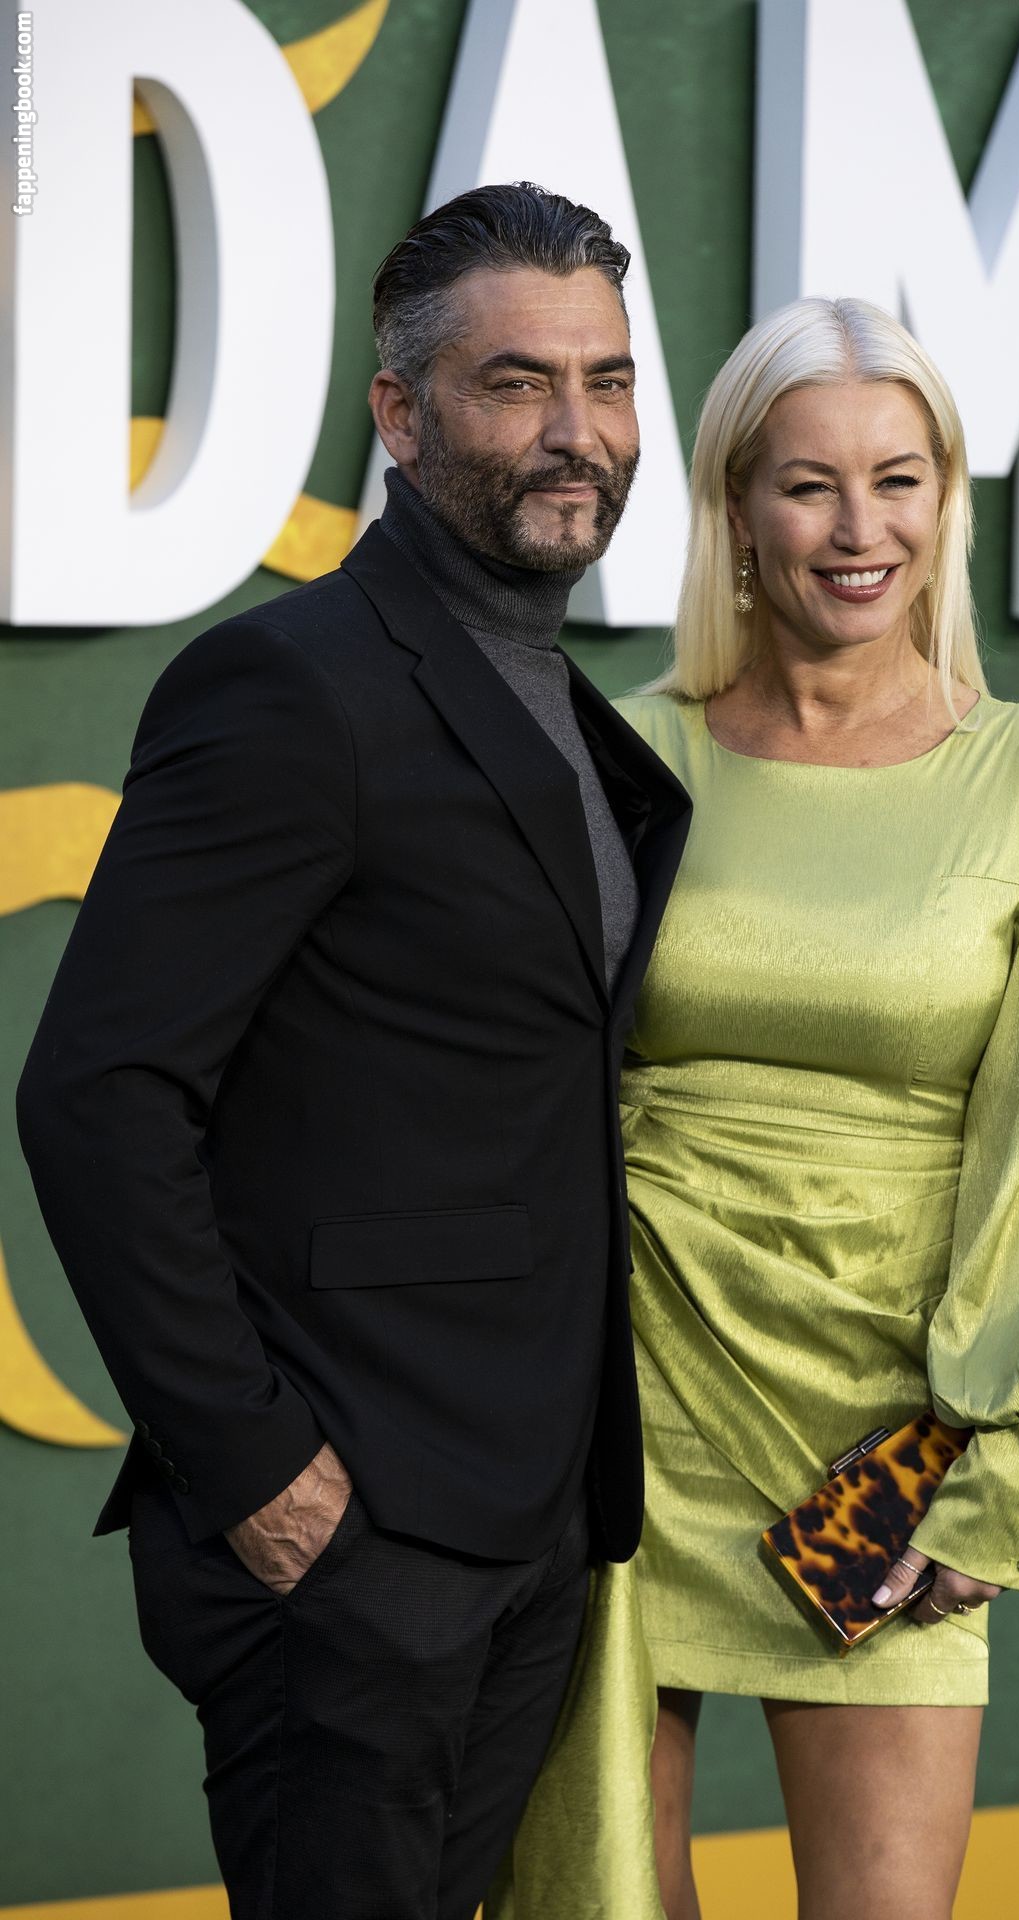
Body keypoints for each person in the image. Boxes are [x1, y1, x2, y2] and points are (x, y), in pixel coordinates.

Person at [15, 182, 691, 1920]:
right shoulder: (291, 687)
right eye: (517, 384)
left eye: (609, 381)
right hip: (350, 1546)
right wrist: (256, 1469)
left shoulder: (558, 706)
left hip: (527, 1524)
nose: (579, 431)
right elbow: (99, 1095)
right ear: (400, 414)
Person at [492, 297, 1019, 1920]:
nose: (861, 531)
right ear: (734, 507)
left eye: (898, 479)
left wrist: (1004, 1461)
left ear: (947, 501)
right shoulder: (610, 752)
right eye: (808, 485)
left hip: (889, 1440)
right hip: (614, 1407)